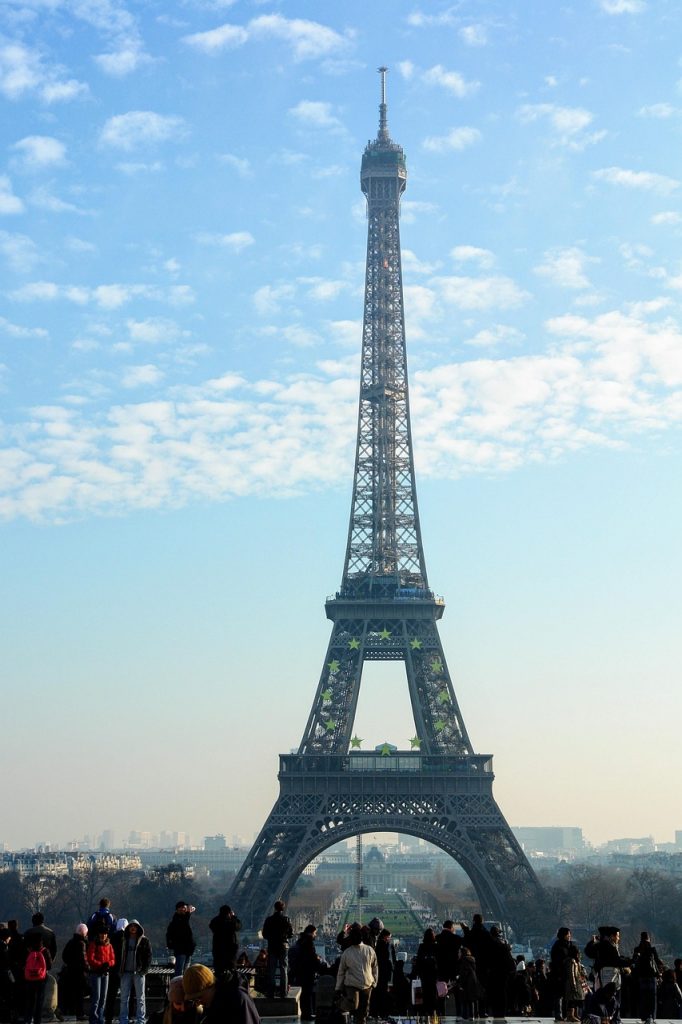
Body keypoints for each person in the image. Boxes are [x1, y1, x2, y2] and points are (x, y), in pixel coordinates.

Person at [181, 963, 260, 1024]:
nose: (198, 1003)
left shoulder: (237, 999)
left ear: (209, 987)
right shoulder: (214, 1002)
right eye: (194, 1000)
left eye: (199, 997)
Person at [335, 925, 377, 1024]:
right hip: (356, 985)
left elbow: (375, 967)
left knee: (362, 1013)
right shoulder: (368, 950)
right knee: (356, 1007)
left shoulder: (365, 950)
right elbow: (341, 972)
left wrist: (374, 981)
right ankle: (340, 1005)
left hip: (364, 985)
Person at [118, 920, 152, 1024]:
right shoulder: (124, 940)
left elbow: (149, 957)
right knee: (124, 998)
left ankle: (140, 1020)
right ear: (128, 928)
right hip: (125, 972)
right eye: (131, 926)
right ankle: (123, 1020)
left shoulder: (144, 941)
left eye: (135, 926)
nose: (133, 928)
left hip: (139, 972)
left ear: (138, 928)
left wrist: (143, 971)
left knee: (140, 998)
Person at [290, 925, 325, 1022]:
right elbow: (311, 957)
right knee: (308, 994)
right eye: (315, 933)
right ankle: (308, 1014)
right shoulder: (308, 942)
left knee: (304, 994)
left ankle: (306, 1013)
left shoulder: (301, 941)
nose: (316, 935)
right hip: (307, 972)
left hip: (300, 971)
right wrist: (318, 960)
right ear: (311, 932)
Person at [261, 901, 293, 999]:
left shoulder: (269, 920)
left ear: (274, 908)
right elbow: (291, 934)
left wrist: (272, 938)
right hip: (283, 946)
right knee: (284, 969)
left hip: (272, 946)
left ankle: (271, 992)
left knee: (272, 969)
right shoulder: (286, 919)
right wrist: (283, 937)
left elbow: (264, 934)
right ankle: (283, 993)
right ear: (283, 909)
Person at [631, 932, 662, 1023]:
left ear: (640, 938)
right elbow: (657, 961)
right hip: (652, 976)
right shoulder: (652, 949)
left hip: (641, 976)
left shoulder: (637, 949)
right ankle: (652, 1017)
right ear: (649, 938)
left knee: (643, 997)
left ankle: (644, 1017)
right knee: (652, 997)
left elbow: (634, 961)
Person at [86, 928, 115, 1024]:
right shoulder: (94, 944)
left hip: (105, 973)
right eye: (102, 933)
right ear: (98, 934)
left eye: (105, 934)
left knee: (103, 997)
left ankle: (100, 1018)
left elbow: (113, 959)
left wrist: (108, 964)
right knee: (96, 997)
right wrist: (100, 964)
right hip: (96, 973)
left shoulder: (109, 945)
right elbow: (90, 958)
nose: (103, 935)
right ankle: (94, 1018)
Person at [60, 924, 89, 1020]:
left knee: (72, 993)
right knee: (80, 994)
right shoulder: (82, 943)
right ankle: (80, 1013)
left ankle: (71, 1011)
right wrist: (88, 968)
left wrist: (70, 963)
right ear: (84, 933)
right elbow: (83, 959)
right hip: (80, 973)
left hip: (70, 972)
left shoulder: (70, 942)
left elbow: (64, 956)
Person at [551, 927, 579, 1022]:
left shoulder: (570, 945)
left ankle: (571, 1014)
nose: (569, 936)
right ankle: (558, 1014)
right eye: (568, 934)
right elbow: (557, 961)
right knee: (559, 995)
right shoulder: (558, 946)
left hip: (569, 974)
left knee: (571, 994)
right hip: (560, 974)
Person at [24, 931, 52, 1024]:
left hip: (30, 979)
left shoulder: (29, 951)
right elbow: (49, 965)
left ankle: (27, 1019)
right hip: (41, 979)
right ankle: (37, 1021)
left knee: (30, 1001)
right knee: (39, 1001)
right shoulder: (45, 950)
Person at [208, 906, 241, 977]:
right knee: (231, 969)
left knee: (219, 970)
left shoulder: (215, 921)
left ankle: (219, 984)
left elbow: (211, 926)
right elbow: (237, 926)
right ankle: (230, 985)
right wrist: (234, 917)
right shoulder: (230, 921)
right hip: (230, 949)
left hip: (218, 949)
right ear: (229, 912)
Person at [167, 904, 196, 979]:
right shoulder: (178, 920)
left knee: (185, 971)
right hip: (181, 949)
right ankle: (179, 987)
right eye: (182, 909)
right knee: (180, 972)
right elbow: (183, 923)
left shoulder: (183, 919)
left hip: (188, 949)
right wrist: (188, 912)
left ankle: (183, 987)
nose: (184, 910)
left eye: (184, 909)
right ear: (177, 910)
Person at [414, 928, 439, 1018]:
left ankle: (425, 1011)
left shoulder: (422, 946)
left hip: (424, 974)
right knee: (432, 993)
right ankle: (432, 1011)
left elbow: (418, 961)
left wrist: (417, 972)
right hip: (433, 973)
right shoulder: (436, 946)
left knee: (424, 992)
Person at [374, 928, 395, 1018]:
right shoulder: (386, 946)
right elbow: (389, 959)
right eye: (389, 937)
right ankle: (383, 1013)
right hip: (385, 973)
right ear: (386, 936)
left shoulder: (377, 945)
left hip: (378, 973)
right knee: (383, 994)